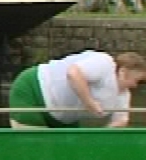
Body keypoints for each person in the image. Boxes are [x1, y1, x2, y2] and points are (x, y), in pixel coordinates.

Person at [9, 50, 146, 128]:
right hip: (33, 90)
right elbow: (74, 73)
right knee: (36, 144)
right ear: (123, 71)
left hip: (63, 115)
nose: (136, 86)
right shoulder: (104, 63)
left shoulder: (123, 95)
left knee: (71, 148)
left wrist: (101, 137)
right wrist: (89, 102)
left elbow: (121, 120)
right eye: (138, 81)